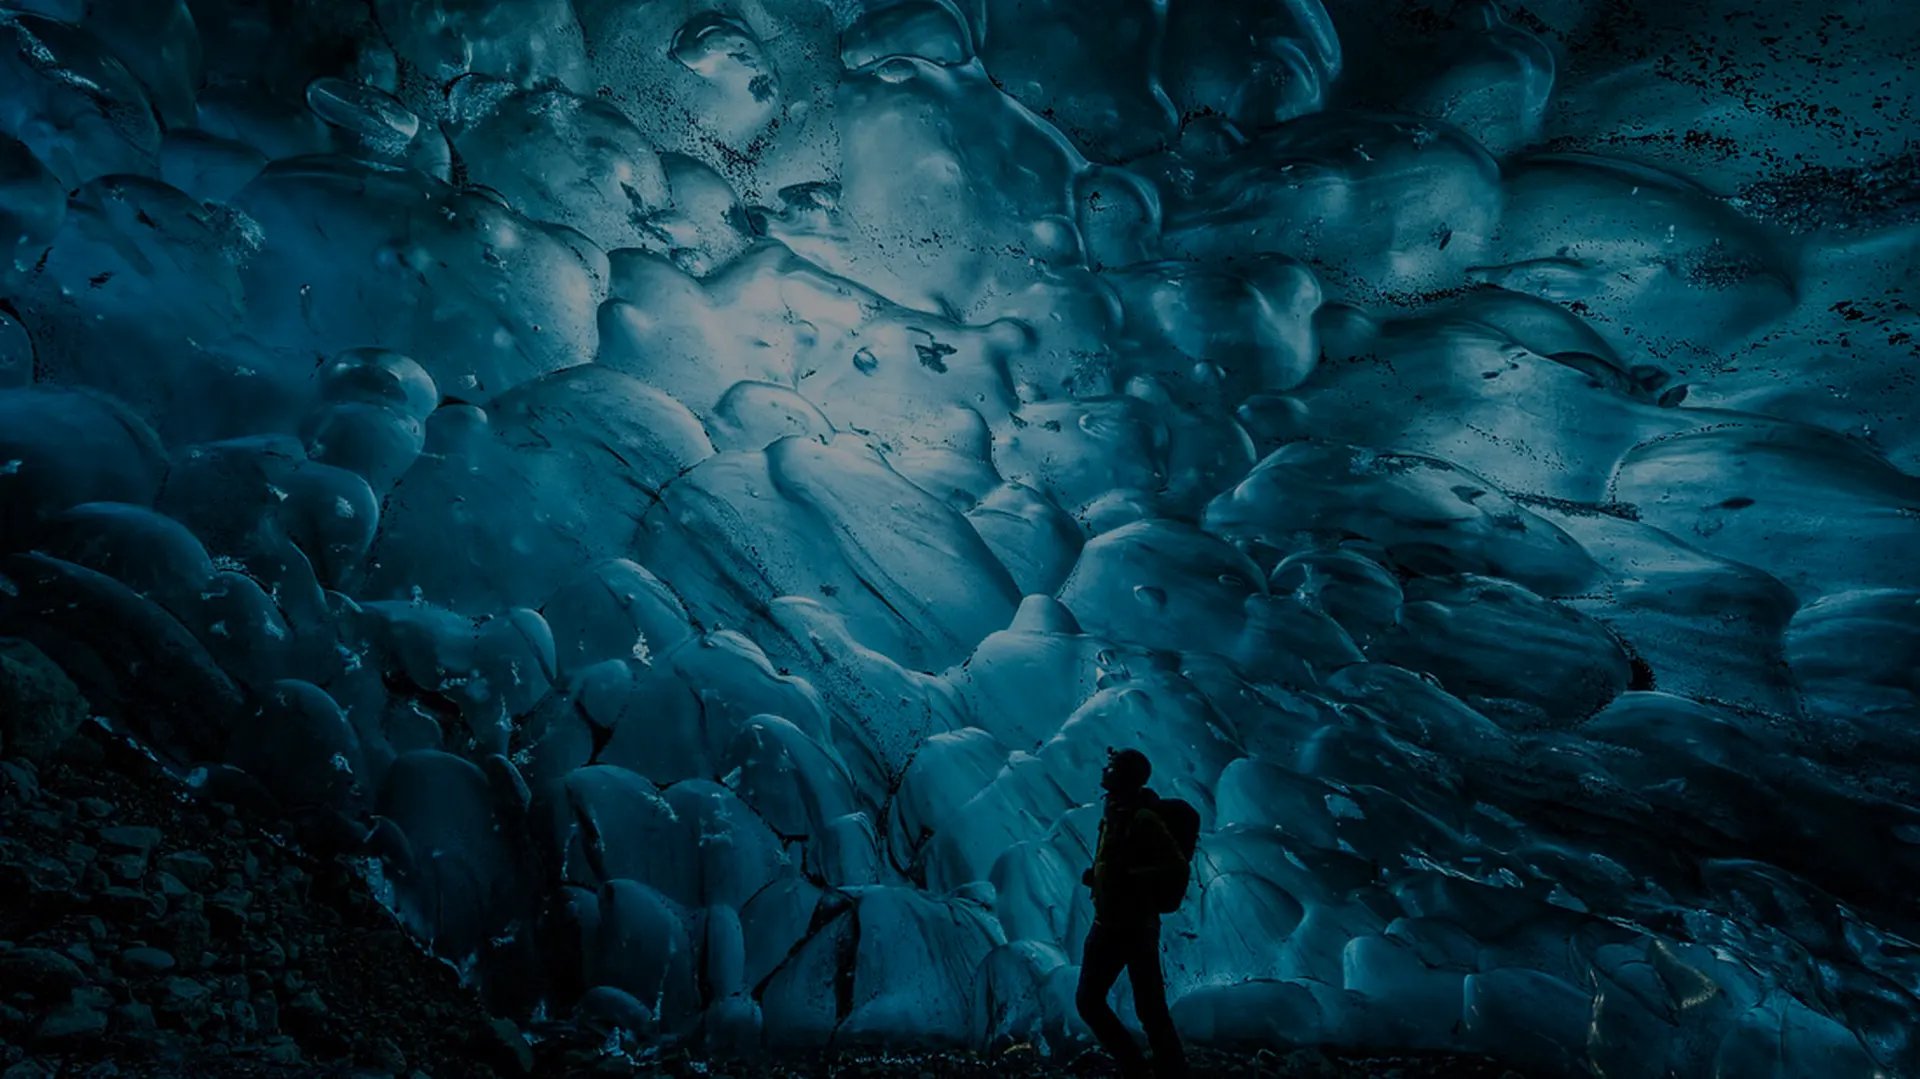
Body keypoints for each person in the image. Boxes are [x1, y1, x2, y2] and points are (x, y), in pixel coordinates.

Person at [1076, 747, 1189, 1079]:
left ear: (1125, 775)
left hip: (1133, 926)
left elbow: (1175, 868)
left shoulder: (1142, 818)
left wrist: (1128, 879)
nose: (1104, 770)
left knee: (1138, 1005)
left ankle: (1154, 1069)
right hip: (1111, 922)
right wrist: (1097, 876)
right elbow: (1117, 860)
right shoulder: (1114, 812)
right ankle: (1146, 1067)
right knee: (1101, 1002)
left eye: (1111, 767)